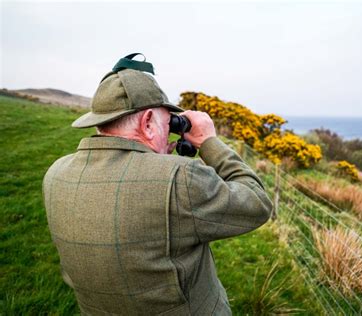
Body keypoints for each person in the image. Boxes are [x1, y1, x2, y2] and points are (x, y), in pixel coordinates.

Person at [42, 66, 273, 315]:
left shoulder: (56, 174)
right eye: (168, 122)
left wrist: (152, 156)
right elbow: (257, 202)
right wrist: (208, 142)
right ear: (148, 122)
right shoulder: (180, 178)